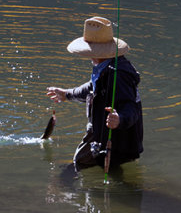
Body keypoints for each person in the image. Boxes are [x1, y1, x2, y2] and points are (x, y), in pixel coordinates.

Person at [47, 16, 143, 170]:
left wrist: (119, 119)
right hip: (99, 130)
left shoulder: (119, 75)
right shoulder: (104, 66)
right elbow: (92, 87)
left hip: (117, 138)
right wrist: (67, 94)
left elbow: (131, 108)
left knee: (102, 169)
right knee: (81, 161)